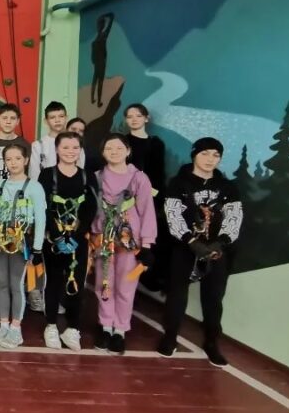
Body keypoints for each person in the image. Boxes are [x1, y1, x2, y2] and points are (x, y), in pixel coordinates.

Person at [158, 138, 242, 366]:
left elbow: (234, 217)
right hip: (185, 246)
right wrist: (191, 241)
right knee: (177, 294)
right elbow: (173, 214)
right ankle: (170, 336)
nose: (210, 159)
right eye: (205, 153)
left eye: (215, 155)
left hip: (216, 249)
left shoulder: (227, 187)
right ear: (194, 155)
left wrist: (221, 242)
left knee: (214, 296)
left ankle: (212, 341)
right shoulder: (178, 183)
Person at [90, 133, 157, 354]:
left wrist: (147, 244)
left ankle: (120, 330)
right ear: (103, 152)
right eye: (109, 148)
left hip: (130, 242)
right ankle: (105, 326)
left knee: (126, 286)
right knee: (104, 283)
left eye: (119, 148)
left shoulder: (139, 178)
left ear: (128, 151)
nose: (114, 152)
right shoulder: (96, 177)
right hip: (103, 240)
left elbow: (147, 211)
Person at [0, 144, 46, 349]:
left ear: (26, 160)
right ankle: (3, 325)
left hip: (22, 242)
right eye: (8, 159)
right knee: (2, 282)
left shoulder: (35, 187)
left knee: (16, 284)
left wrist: (37, 248)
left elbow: (41, 219)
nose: (13, 163)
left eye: (17, 158)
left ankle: (16, 328)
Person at [38, 131, 98, 350]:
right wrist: (56, 234)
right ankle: (51, 325)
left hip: (78, 240)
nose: (70, 152)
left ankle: (73, 328)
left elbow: (91, 207)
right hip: (53, 240)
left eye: (75, 147)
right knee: (53, 282)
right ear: (56, 149)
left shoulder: (87, 176)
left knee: (76, 283)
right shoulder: (47, 175)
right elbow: (42, 205)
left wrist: (77, 234)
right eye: (65, 147)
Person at [123, 103, 168, 291]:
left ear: (146, 118)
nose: (134, 119)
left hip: (150, 198)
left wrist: (155, 196)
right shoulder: (122, 142)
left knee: (147, 239)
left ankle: (145, 278)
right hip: (125, 199)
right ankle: (126, 283)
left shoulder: (156, 143)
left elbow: (159, 174)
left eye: (138, 116)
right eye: (130, 116)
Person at [30, 101, 84, 181]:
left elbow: (80, 168)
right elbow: (34, 174)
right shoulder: (38, 145)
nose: (57, 120)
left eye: (61, 116)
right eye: (52, 117)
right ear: (46, 121)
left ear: (66, 118)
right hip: (46, 185)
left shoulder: (75, 142)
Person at [90, 13, 113, 108]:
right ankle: (95, 100)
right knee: (97, 81)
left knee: (97, 81)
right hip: (98, 62)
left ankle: (95, 100)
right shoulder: (100, 36)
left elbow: (111, 18)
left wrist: (106, 15)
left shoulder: (102, 35)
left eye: (100, 24)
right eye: (98, 24)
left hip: (99, 62)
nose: (99, 26)